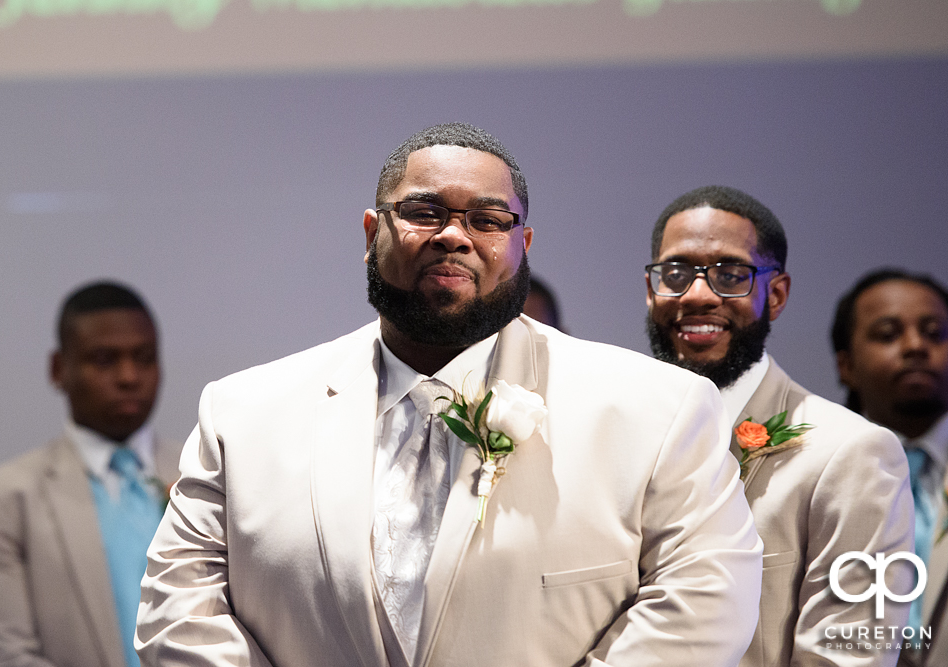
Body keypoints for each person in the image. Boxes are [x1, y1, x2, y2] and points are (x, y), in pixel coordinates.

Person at [136, 123, 762, 667]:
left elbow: (704, 606)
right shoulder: (242, 416)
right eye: (425, 213)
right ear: (370, 232)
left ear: (524, 246)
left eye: (488, 220)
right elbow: (178, 611)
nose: (454, 236)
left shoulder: (657, 410)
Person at [645, 185, 914, 667]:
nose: (700, 294)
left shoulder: (855, 454)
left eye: (731, 274)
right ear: (651, 291)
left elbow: (851, 656)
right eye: (677, 272)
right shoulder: (617, 434)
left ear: (777, 294)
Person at [0, 281, 182, 667]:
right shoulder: (3, 500)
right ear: (59, 369)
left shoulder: (208, 477)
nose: (129, 376)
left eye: (144, 357)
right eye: (105, 359)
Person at [832, 269, 948, 667]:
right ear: (845, 364)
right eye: (887, 334)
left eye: (935, 333)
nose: (916, 346)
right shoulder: (812, 476)